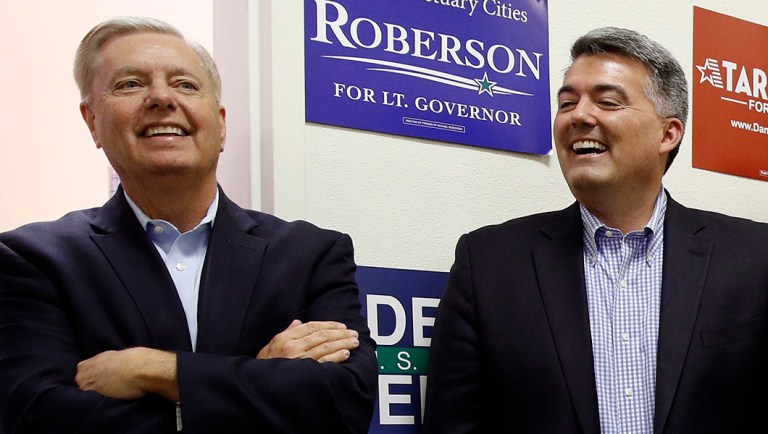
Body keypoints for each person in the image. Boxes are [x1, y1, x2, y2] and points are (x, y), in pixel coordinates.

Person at [0, 16, 377, 434]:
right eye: (130, 84)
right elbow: (35, 417)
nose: (161, 97)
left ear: (221, 124)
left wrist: (158, 370)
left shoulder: (311, 254)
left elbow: (345, 404)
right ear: (92, 122)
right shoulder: (34, 259)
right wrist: (257, 379)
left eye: (185, 84)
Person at [423, 26, 768, 433]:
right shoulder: (487, 263)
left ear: (668, 133)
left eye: (606, 101)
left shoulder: (755, 257)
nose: (580, 116)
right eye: (567, 103)